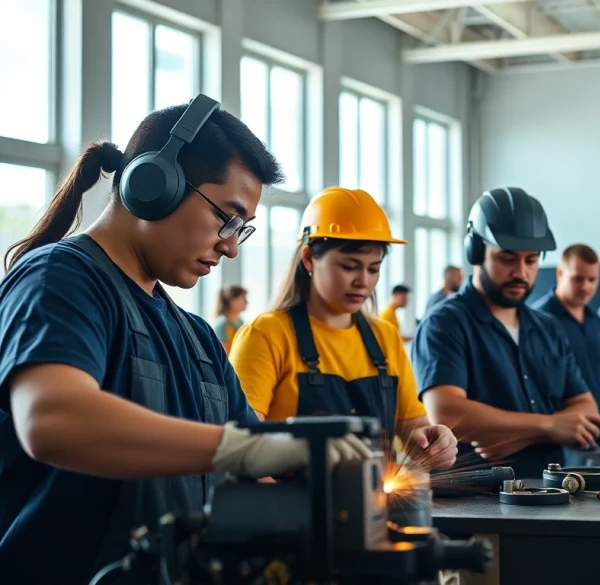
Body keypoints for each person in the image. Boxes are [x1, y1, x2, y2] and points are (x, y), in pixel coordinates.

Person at [0, 96, 371, 585]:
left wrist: (323, 473)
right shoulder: (62, 279)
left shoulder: (196, 338)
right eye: (226, 217)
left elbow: (248, 467)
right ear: (155, 184)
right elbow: (53, 420)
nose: (231, 245)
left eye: (243, 228)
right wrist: (247, 449)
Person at [228, 187, 457, 470]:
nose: (363, 281)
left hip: (376, 508)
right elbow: (244, 446)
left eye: (373, 269)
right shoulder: (266, 335)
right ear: (310, 258)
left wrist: (434, 441)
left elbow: (414, 429)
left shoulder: (384, 338)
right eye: (350, 266)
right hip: (291, 509)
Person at [411, 187, 600, 479]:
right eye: (507, 258)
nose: (521, 272)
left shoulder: (547, 327)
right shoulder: (445, 323)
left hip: (552, 495)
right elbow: (447, 413)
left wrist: (522, 433)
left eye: (531, 260)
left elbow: (586, 409)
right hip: (479, 508)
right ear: (476, 252)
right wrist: (550, 426)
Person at [531, 243, 600, 417]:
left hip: (595, 421)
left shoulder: (595, 320)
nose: (586, 287)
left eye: (592, 280)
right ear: (560, 274)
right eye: (578, 279)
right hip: (556, 427)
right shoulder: (537, 320)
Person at [211, 284, 248, 351]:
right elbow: (224, 351)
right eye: (243, 298)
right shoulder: (222, 323)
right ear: (232, 301)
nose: (246, 302)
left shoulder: (240, 321)